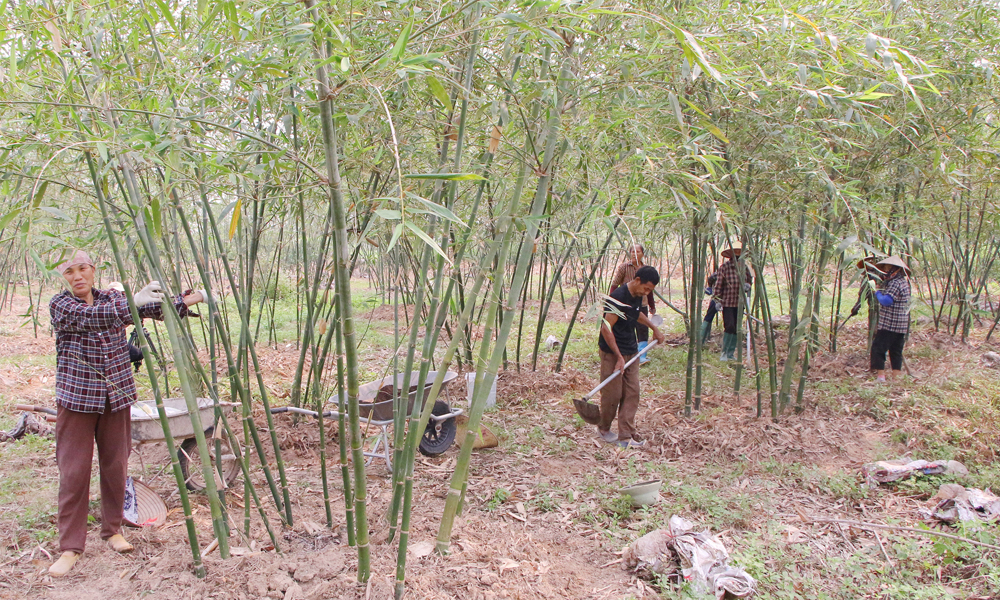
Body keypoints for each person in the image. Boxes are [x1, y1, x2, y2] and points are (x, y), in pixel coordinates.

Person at [47, 251, 205, 577]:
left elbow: (148, 308)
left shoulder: (113, 298)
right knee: (74, 473)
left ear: (93, 270)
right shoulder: (62, 306)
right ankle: (70, 547)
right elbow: (99, 317)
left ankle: (113, 529)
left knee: (116, 465)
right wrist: (133, 301)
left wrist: (190, 299)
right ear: (63, 276)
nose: (77, 276)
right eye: (70, 271)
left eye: (83, 269)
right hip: (77, 400)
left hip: (116, 397)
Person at [597, 265, 665, 448]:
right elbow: (606, 328)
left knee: (632, 391)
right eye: (646, 288)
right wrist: (618, 357)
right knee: (613, 394)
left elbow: (637, 315)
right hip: (612, 352)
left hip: (631, 349)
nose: (647, 292)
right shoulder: (617, 297)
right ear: (636, 280)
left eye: (650, 290)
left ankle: (625, 435)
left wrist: (654, 328)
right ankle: (604, 428)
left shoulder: (637, 296)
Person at [609, 244, 656, 364]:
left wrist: (652, 305)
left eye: (638, 251)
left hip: (641, 303)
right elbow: (615, 284)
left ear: (642, 254)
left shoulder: (646, 270)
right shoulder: (624, 267)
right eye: (633, 251)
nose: (635, 254)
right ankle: (623, 353)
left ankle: (641, 355)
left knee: (643, 330)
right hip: (624, 303)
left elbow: (649, 291)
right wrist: (612, 301)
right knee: (627, 327)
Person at [870, 256, 912, 382]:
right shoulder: (903, 282)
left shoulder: (895, 283)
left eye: (887, 267)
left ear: (894, 269)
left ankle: (881, 377)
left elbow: (886, 301)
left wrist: (876, 292)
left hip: (890, 323)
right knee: (896, 351)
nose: (885, 270)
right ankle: (896, 377)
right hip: (901, 324)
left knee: (878, 348)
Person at [712, 244, 753, 361]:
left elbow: (750, 282)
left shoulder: (745, 268)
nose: (738, 260)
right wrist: (717, 300)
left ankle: (731, 353)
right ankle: (724, 353)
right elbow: (718, 284)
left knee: (736, 328)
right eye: (736, 258)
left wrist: (747, 286)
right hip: (728, 302)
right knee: (729, 326)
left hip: (739, 303)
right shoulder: (724, 268)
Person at [848, 257, 884, 351]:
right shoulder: (870, 276)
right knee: (876, 328)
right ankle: (873, 349)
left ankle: (874, 349)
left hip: (880, 305)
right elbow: (863, 293)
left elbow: (862, 295)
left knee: (877, 328)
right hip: (874, 305)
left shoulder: (882, 275)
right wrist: (857, 306)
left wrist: (857, 306)